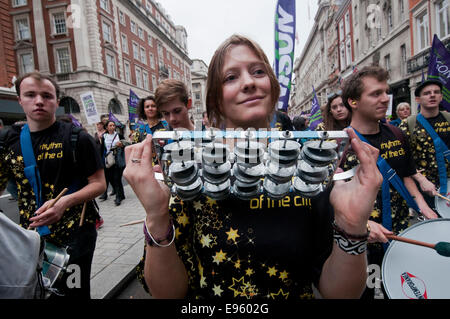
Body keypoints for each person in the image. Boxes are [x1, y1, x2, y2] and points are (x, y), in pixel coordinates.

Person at [124, 34, 382, 299]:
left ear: (271, 86)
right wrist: (156, 217)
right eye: (230, 77)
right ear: (214, 99)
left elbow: (341, 294)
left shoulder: (308, 170)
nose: (248, 82)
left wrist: (352, 224)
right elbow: (167, 294)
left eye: (258, 72)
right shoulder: (190, 169)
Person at [0, 71, 105, 298]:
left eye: (47, 96)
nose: (39, 101)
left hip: (76, 237)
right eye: (30, 95)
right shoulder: (8, 140)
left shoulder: (78, 137)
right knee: (37, 292)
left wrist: (65, 203)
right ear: (19, 100)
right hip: (30, 237)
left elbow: (98, 184)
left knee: (74, 293)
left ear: (57, 101)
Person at [340, 66, 437, 298]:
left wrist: (425, 210)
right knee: (368, 293)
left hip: (400, 232)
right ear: (353, 102)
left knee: (403, 289)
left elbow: (404, 174)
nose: (385, 99)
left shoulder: (397, 133)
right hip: (359, 241)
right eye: (375, 94)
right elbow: (329, 197)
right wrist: (362, 226)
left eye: (385, 92)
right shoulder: (338, 146)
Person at [399, 80, 449, 212]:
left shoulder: (448, 119)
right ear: (417, 99)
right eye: (427, 93)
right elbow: (403, 158)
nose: (432, 95)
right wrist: (420, 179)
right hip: (426, 188)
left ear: (441, 97)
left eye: (436, 92)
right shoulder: (408, 124)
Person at [99, 120, 125, 206]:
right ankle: (121, 194)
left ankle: (118, 197)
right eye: (110, 125)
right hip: (108, 161)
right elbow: (102, 149)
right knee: (109, 178)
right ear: (106, 127)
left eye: (113, 125)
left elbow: (126, 144)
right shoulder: (104, 136)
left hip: (117, 160)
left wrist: (121, 145)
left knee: (117, 178)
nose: (112, 127)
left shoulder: (119, 135)